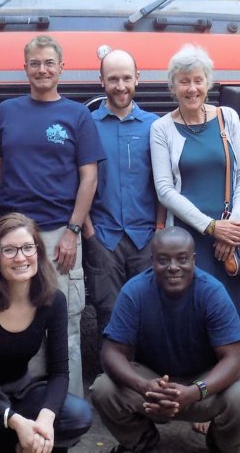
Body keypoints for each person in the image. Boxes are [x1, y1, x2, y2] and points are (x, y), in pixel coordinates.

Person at [0, 34, 105, 396]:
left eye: (49, 63)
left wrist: (72, 230)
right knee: (17, 318)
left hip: (57, 234)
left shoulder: (77, 115)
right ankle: (27, 396)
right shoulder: (7, 111)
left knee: (65, 321)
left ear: (61, 68)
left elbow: (89, 178)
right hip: (13, 235)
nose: (42, 69)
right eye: (35, 63)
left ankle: (68, 402)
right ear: (25, 69)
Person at [0, 213, 93, 453]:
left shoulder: (53, 300)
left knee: (79, 414)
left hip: (20, 390)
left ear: (38, 252)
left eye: (28, 248)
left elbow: (60, 372)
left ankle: (25, 445)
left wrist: (45, 419)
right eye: (9, 250)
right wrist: (15, 420)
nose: (20, 257)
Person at [90, 227, 240, 452]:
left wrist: (195, 391)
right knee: (103, 388)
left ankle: (221, 446)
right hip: (153, 385)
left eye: (182, 259)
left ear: (194, 260)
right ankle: (141, 443)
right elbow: (111, 352)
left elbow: (234, 360)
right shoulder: (134, 291)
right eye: (163, 260)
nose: (173, 267)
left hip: (202, 386)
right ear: (152, 261)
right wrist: (144, 386)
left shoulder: (212, 293)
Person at [150, 43, 240, 333]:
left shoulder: (228, 117)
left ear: (207, 82)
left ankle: (231, 373)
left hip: (231, 236)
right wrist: (212, 228)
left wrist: (234, 224)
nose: (192, 88)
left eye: (198, 80)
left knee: (232, 317)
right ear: (173, 86)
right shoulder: (161, 128)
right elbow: (165, 190)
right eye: (184, 81)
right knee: (193, 317)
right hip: (189, 240)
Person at [84, 49, 159, 342]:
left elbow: (163, 183)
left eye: (127, 78)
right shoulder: (87, 124)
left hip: (146, 236)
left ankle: (148, 379)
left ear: (137, 79)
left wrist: (160, 230)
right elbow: (79, 180)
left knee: (149, 310)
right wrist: (89, 232)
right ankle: (113, 380)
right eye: (113, 79)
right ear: (101, 81)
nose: (120, 86)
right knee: (108, 312)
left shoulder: (155, 126)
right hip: (104, 237)